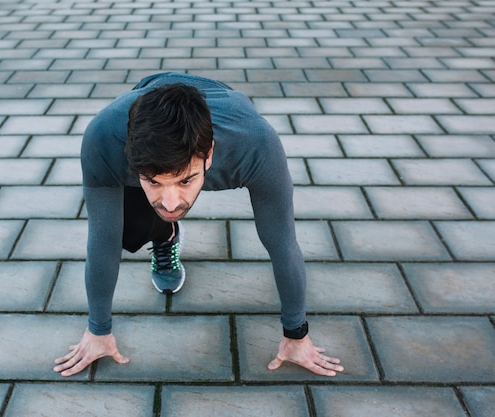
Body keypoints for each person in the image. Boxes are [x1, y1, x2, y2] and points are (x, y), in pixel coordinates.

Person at [53, 73, 343, 377]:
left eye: (185, 180)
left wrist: (296, 334)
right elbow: (102, 238)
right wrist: (98, 331)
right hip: (144, 102)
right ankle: (166, 235)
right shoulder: (103, 139)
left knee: (273, 234)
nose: (170, 201)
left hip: (230, 114)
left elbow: (283, 241)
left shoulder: (257, 145)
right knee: (127, 231)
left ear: (210, 155)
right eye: (153, 181)